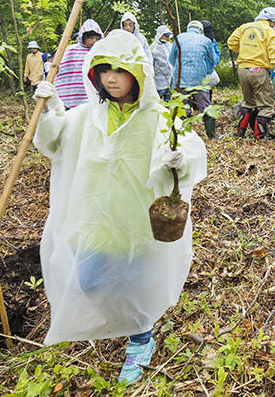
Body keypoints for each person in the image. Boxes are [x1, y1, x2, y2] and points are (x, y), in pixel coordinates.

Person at [31, 30, 207, 386]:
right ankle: (114, 320)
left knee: (137, 280)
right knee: (91, 279)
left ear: (138, 73)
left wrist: (178, 157)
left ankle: (141, 337)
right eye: (104, 69)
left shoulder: (158, 117)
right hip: (93, 216)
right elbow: (52, 142)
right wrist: (50, 109)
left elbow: (191, 152)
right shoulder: (86, 116)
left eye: (120, 69)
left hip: (137, 219)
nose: (111, 78)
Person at [227, 7, 275, 141]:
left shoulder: (244, 27)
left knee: (248, 101)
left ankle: (240, 133)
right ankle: (261, 136)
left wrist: (246, 48)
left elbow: (231, 43)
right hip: (259, 71)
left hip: (242, 69)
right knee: (266, 105)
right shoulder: (271, 32)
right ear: (272, 21)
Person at [169, 21, 219, 117]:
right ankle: (210, 131)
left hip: (180, 80)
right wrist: (208, 71)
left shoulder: (178, 38)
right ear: (201, 30)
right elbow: (212, 60)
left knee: (182, 108)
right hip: (199, 80)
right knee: (206, 108)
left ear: (187, 29)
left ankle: (183, 130)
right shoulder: (206, 40)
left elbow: (171, 59)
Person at [54, 20, 103, 109]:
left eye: (96, 38)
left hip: (90, 95)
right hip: (71, 92)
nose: (94, 41)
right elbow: (63, 71)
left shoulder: (98, 53)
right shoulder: (71, 50)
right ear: (83, 37)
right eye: (91, 38)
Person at [150, 26, 174, 101]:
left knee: (167, 101)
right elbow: (150, 63)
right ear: (160, 35)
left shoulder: (169, 46)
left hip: (169, 79)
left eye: (168, 36)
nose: (167, 38)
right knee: (157, 100)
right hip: (158, 80)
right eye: (165, 36)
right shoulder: (153, 47)